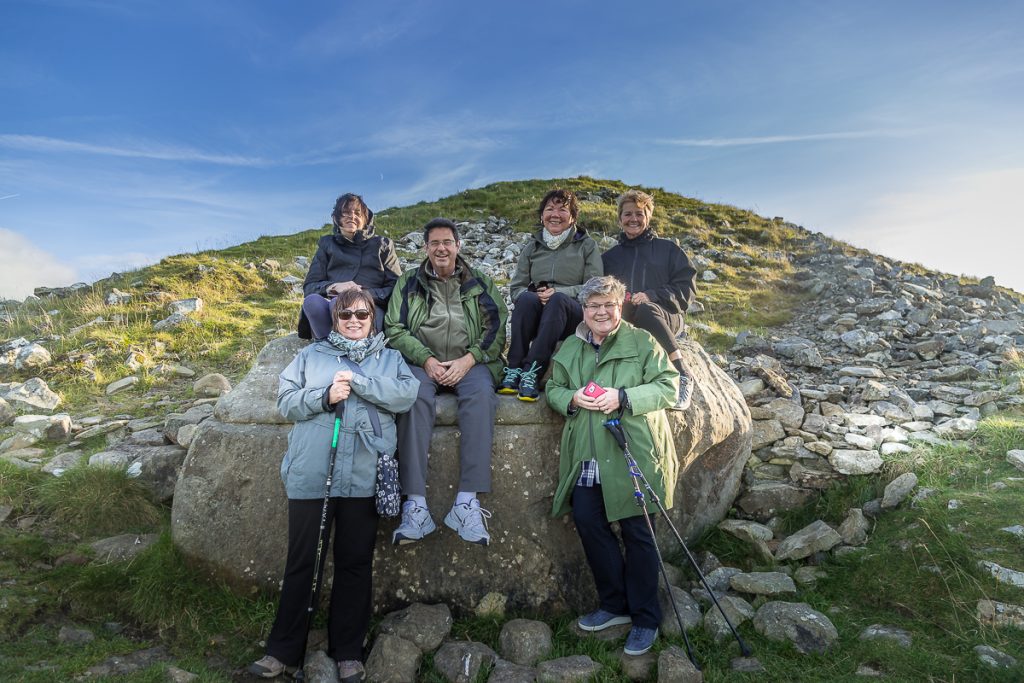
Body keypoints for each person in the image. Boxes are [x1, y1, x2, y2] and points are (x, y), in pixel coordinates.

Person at [250, 290, 419, 681]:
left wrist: (359, 383)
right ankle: (282, 650)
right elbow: (286, 401)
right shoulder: (311, 356)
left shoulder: (390, 358)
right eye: (346, 315)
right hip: (312, 475)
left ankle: (348, 652)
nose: (354, 320)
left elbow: (405, 395)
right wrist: (324, 396)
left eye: (362, 314)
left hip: (364, 478)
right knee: (302, 562)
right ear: (335, 319)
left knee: (355, 565)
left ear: (372, 318)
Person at [545, 275, 679, 657]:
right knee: (588, 522)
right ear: (583, 310)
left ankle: (645, 618)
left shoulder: (642, 342)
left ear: (620, 307)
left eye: (609, 305)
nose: (601, 312)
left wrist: (623, 396)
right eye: (594, 306)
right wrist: (571, 398)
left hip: (632, 452)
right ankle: (614, 604)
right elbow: (552, 388)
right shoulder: (571, 346)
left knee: (639, 534)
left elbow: (669, 386)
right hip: (588, 455)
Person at [384, 218, 508, 546]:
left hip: (470, 361)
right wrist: (426, 359)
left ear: (457, 246)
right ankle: (415, 506)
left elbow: (497, 326)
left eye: (447, 242)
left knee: (481, 396)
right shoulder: (409, 282)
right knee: (412, 397)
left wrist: (470, 359)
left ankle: (466, 503)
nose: (441, 248)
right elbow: (394, 328)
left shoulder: (479, 281)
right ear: (426, 247)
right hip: (422, 362)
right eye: (435, 243)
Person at [501, 188, 603, 401]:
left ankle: (532, 372)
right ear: (542, 216)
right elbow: (516, 288)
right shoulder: (532, 247)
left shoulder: (587, 245)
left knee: (557, 300)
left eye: (562, 209)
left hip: (572, 315)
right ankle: (514, 368)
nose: (555, 214)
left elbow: (594, 287)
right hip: (540, 313)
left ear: (573, 217)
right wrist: (535, 295)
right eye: (549, 209)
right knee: (526, 298)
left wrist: (560, 292)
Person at [601, 189, 698, 410]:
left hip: (665, 316)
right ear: (620, 219)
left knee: (646, 309)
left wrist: (652, 295)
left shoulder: (669, 249)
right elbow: (600, 291)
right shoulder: (609, 258)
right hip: (626, 320)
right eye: (628, 214)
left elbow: (687, 288)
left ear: (648, 217)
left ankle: (682, 373)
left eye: (639, 214)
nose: (633, 219)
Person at [298, 193, 402, 339]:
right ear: (336, 218)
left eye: (357, 213)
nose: (352, 216)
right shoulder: (327, 244)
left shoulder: (383, 245)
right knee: (312, 302)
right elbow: (310, 287)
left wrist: (362, 294)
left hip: (368, 309)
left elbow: (396, 288)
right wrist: (333, 287)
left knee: (340, 304)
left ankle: (340, 348)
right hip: (331, 308)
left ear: (366, 219)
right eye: (345, 213)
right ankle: (325, 344)